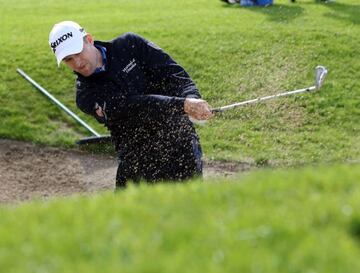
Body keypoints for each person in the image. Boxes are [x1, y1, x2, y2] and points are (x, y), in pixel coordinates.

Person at [48, 21, 213, 188]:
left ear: (89, 40)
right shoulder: (86, 96)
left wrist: (193, 99)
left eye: (78, 52)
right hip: (137, 162)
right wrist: (182, 105)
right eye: (68, 59)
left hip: (181, 145)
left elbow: (173, 74)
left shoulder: (130, 45)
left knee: (187, 210)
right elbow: (135, 107)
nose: (77, 63)